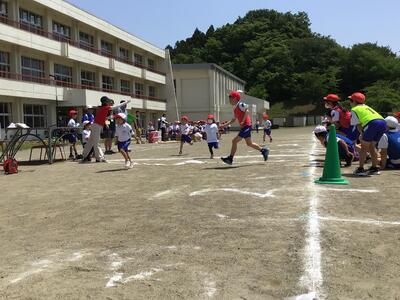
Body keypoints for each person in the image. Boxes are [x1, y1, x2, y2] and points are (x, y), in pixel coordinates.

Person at [221, 91, 269, 165]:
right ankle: (263, 150)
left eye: (231, 97)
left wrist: (243, 121)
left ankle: (230, 158)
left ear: (236, 99)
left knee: (234, 141)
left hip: (246, 125)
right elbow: (233, 120)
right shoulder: (235, 108)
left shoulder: (240, 104)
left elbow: (247, 110)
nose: (229, 99)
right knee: (249, 143)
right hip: (245, 126)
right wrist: (223, 125)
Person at [81, 96, 130, 163]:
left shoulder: (101, 108)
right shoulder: (105, 107)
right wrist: (125, 102)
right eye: (108, 101)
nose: (109, 102)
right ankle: (99, 158)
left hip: (96, 126)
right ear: (105, 102)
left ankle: (84, 156)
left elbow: (105, 117)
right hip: (97, 126)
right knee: (96, 143)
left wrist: (111, 117)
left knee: (90, 142)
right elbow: (116, 106)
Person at [349, 92, 385, 176]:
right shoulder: (366, 107)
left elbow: (358, 125)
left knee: (364, 147)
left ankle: (361, 169)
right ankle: (374, 168)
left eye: (350, 100)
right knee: (372, 146)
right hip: (383, 122)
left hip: (372, 124)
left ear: (354, 101)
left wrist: (362, 134)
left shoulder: (354, 109)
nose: (350, 102)